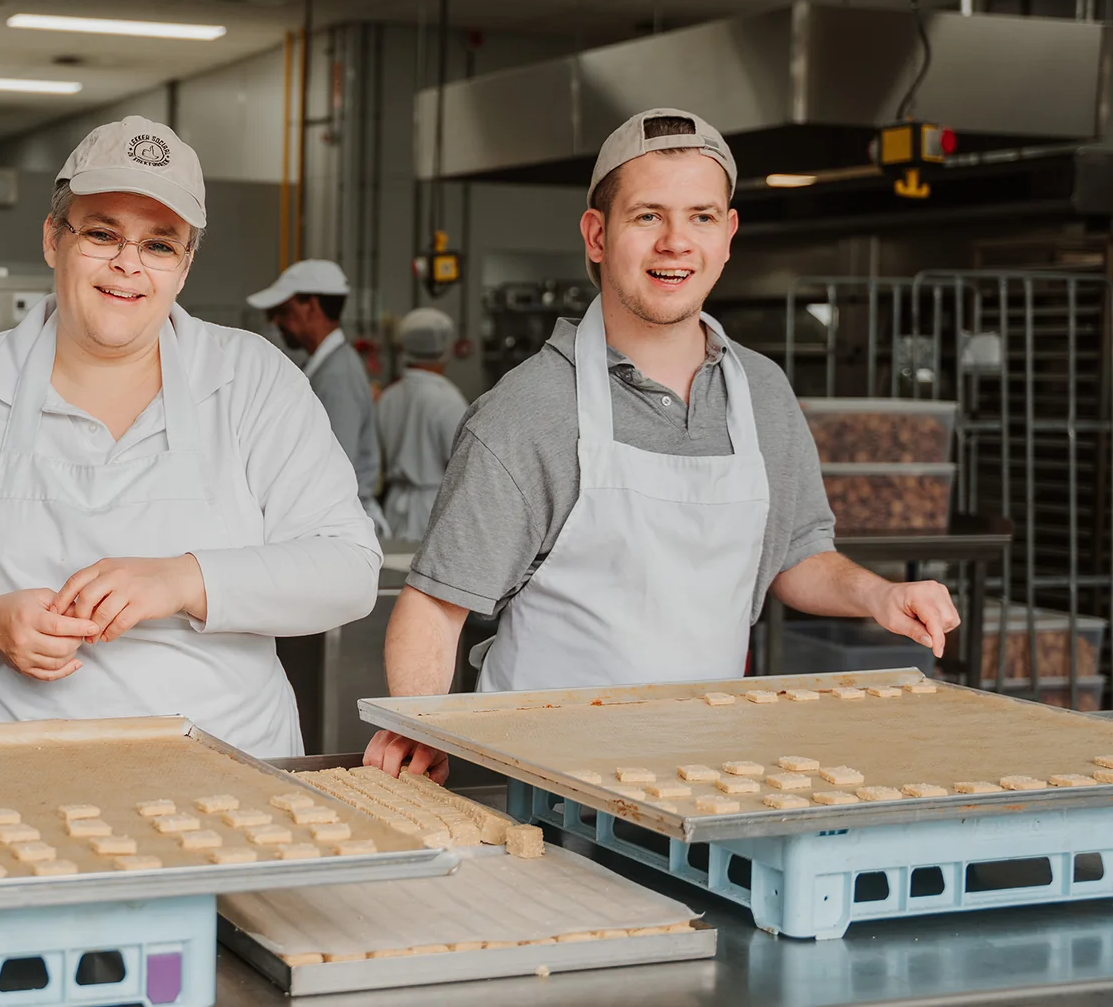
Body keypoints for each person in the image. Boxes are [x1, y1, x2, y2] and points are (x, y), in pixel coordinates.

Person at [366, 108, 961, 781]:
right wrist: (417, 723)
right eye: (648, 216)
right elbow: (436, 606)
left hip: (708, 772)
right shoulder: (531, 410)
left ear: (728, 235)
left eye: (701, 217)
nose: (676, 242)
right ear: (597, 235)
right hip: (545, 777)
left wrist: (878, 594)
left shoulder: (762, 393)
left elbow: (797, 552)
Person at [0, 115, 381, 758]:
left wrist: (184, 580)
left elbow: (348, 570)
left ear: (185, 265)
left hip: (222, 771)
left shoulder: (254, 381)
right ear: (53, 239)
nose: (128, 265)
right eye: (102, 234)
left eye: (159, 245)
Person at [247, 260, 389, 537]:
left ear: (310, 307)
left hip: (334, 526)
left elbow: (334, 466)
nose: (276, 322)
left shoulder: (337, 376)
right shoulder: (326, 367)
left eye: (283, 312)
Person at [376, 308, 469, 542]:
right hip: (433, 507)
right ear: (445, 349)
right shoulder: (447, 399)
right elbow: (462, 466)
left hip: (394, 507)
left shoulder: (389, 396)